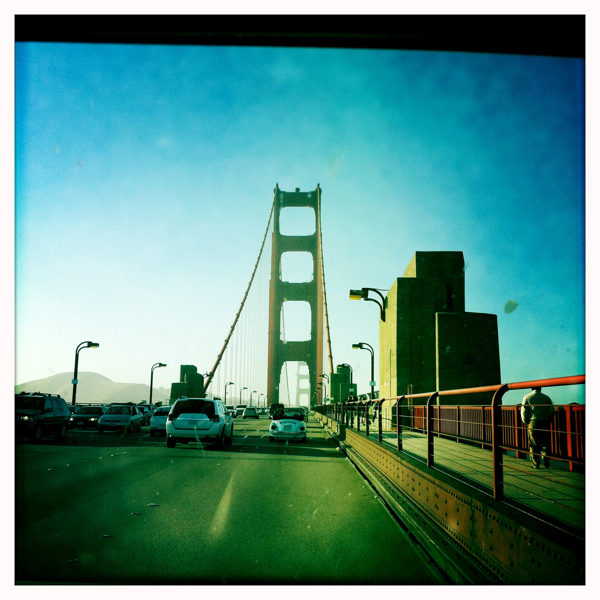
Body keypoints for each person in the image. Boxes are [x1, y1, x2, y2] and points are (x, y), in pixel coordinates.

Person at [521, 387, 554, 469]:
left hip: (533, 422)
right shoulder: (547, 398)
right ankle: (546, 458)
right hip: (545, 422)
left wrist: (526, 421)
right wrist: (549, 420)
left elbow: (524, 412)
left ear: (531, 388)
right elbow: (551, 411)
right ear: (540, 388)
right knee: (545, 442)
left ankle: (535, 464)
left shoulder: (527, 397)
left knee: (534, 443)